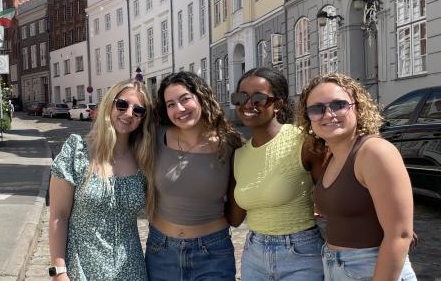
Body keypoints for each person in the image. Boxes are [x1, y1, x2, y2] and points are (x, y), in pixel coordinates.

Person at [297, 73, 416, 281]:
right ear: (309, 119)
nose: (328, 114)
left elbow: (400, 236)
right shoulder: (332, 155)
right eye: (317, 109)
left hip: (372, 267)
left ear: (358, 109)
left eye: (339, 105)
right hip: (335, 266)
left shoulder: (374, 152)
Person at [48, 79, 154, 281]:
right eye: (122, 104)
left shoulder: (143, 160)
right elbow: (58, 215)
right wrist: (58, 271)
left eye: (138, 110)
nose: (129, 114)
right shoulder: (77, 152)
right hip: (82, 268)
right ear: (109, 104)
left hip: (130, 270)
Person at [228, 67, 326, 280]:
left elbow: (334, 193)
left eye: (259, 98)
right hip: (254, 254)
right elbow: (234, 219)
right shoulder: (239, 155)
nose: (248, 104)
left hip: (301, 253)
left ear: (278, 104)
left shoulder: (303, 142)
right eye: (240, 97)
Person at [144, 71, 242, 281]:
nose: (179, 109)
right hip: (161, 251)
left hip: (213, 253)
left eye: (185, 99)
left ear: (201, 97)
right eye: (170, 104)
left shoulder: (229, 143)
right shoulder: (155, 136)